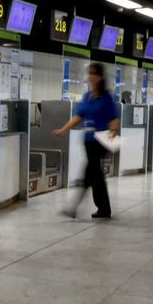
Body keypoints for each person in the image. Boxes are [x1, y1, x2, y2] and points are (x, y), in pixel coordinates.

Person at [53, 62, 120, 219]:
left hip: (101, 140)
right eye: (89, 74)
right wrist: (64, 129)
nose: (91, 77)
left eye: (94, 74)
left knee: (90, 172)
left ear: (100, 77)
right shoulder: (87, 97)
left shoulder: (106, 98)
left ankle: (74, 207)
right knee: (95, 175)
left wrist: (114, 131)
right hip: (88, 141)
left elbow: (114, 117)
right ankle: (103, 209)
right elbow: (79, 116)